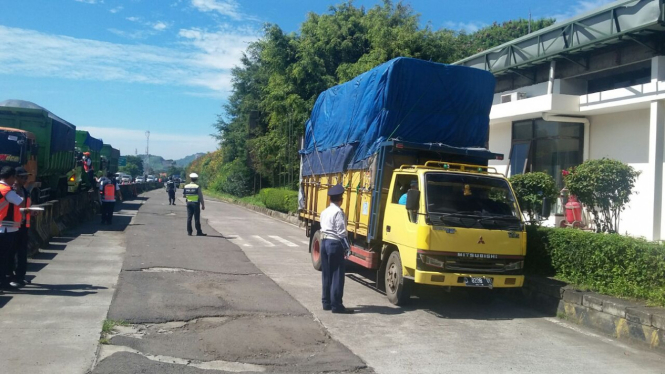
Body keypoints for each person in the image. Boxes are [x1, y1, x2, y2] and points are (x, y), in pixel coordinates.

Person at [320, 184, 353, 314]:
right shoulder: (338, 212)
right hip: (334, 244)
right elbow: (341, 232)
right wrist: (347, 248)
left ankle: (326, 303)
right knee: (337, 275)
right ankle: (337, 305)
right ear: (341, 199)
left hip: (324, 242)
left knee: (326, 274)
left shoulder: (324, 211)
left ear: (330, 199)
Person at [10, 167, 34, 288]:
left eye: (26, 177)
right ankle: (12, 277)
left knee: (22, 252)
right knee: (13, 252)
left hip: (23, 224)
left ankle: (20, 276)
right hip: (15, 225)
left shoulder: (23, 189)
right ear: (16, 177)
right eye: (23, 177)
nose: (26, 179)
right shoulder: (13, 190)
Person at [0, 166, 23, 290]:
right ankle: (3, 282)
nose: (15, 180)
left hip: (2, 227)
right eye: (14, 177)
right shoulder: (8, 191)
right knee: (5, 258)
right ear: (9, 177)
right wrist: (18, 191)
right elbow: (21, 202)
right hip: (7, 228)